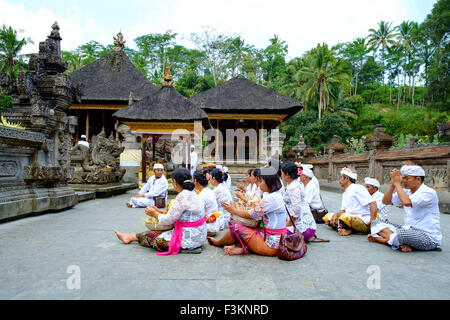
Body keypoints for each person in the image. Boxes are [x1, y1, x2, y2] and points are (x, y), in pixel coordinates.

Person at [114, 168, 207, 254]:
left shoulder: (182, 196)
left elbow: (168, 220)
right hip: (200, 237)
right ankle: (129, 237)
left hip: (190, 239)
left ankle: (185, 248)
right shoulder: (193, 193)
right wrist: (159, 211)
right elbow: (179, 214)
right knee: (157, 233)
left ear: (174, 182)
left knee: (155, 238)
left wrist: (155, 214)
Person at [208, 167, 287, 256]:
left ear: (269, 182)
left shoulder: (271, 198)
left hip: (272, 244)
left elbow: (252, 214)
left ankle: (219, 243)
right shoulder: (272, 195)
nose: (259, 185)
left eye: (261, 182)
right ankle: (239, 248)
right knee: (242, 226)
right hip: (270, 236)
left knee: (237, 227)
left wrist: (233, 210)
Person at [368, 165, 442, 252]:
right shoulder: (406, 191)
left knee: (401, 234)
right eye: (403, 178)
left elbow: (407, 202)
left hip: (427, 236)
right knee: (376, 222)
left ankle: (382, 240)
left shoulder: (428, 192)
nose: (403, 181)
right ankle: (401, 243)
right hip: (408, 229)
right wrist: (393, 184)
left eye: (407, 178)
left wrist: (397, 184)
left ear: (418, 179)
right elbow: (385, 201)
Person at [323, 168, 377, 236]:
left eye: (341, 177)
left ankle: (346, 228)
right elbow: (342, 211)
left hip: (362, 219)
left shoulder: (357, 188)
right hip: (348, 218)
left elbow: (373, 203)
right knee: (328, 216)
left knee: (344, 217)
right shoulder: (346, 192)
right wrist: (336, 215)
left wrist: (372, 220)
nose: (340, 180)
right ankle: (345, 228)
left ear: (347, 178)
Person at [281, 162, 317, 241]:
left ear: (287, 175)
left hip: (303, 228)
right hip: (308, 228)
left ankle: (302, 236)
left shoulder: (293, 187)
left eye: (282, 173)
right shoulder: (295, 184)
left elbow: (296, 209)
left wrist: (288, 224)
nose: (281, 175)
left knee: (275, 233)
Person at [193, 171, 220, 235]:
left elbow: (197, 215)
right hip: (214, 225)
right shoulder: (208, 191)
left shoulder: (202, 196)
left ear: (195, 181)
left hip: (209, 228)